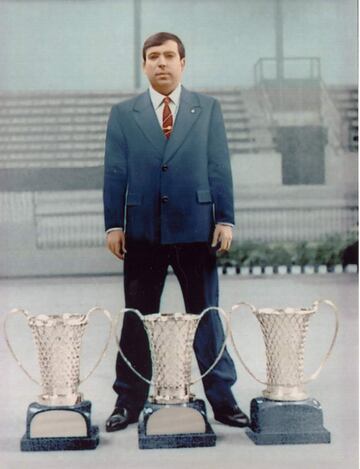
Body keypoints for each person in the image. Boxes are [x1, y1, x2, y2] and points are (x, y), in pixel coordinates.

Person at [103, 32, 249, 432]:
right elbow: (115, 173)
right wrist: (114, 224)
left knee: (206, 316)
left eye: (169, 56)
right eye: (153, 57)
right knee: (137, 318)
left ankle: (223, 400)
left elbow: (219, 167)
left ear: (183, 63)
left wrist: (225, 219)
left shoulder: (208, 109)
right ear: (144, 65)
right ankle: (127, 402)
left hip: (196, 229)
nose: (162, 63)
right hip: (142, 232)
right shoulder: (123, 114)